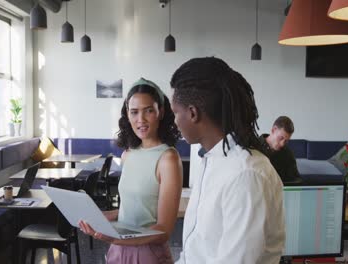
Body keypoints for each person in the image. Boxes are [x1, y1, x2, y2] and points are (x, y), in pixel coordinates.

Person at [170, 57, 285, 263]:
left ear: (193, 113)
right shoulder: (213, 160)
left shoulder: (246, 174)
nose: (175, 121)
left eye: (176, 113)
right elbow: (197, 250)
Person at [79, 78, 183, 264]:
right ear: (127, 115)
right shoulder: (128, 154)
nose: (140, 120)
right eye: (134, 112)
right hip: (118, 249)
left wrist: (114, 238)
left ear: (161, 112)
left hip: (147, 253)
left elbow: (163, 230)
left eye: (148, 111)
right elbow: (135, 209)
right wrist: (103, 217)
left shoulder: (168, 158)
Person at [259, 116, 301, 183]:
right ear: (273, 130)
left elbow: (296, 180)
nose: (282, 144)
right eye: (281, 138)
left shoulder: (288, 154)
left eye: (286, 141)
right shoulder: (254, 148)